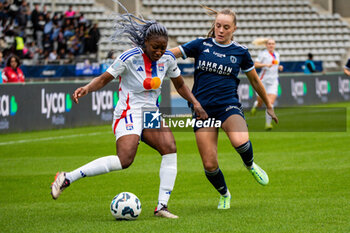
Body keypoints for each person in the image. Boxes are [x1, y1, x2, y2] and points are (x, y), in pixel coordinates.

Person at [50, 6, 207, 219]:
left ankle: (162, 206)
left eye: (163, 47)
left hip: (151, 112)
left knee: (170, 148)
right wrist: (86, 88)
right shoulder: (130, 57)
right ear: (145, 43)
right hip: (129, 111)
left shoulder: (168, 59)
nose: (159, 52)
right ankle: (66, 177)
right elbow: (105, 78)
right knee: (124, 160)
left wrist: (195, 103)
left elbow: (180, 85)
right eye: (155, 47)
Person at [170, 6, 278, 210]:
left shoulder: (241, 52)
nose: (220, 30)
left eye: (226, 27)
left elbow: (255, 81)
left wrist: (269, 106)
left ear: (234, 29)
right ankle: (225, 194)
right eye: (218, 25)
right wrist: (152, 53)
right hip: (202, 110)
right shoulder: (200, 44)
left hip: (228, 106)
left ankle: (250, 164)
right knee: (210, 165)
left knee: (240, 140)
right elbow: (171, 54)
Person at [250, 37, 283, 130]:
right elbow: (255, 65)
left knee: (270, 103)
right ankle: (256, 105)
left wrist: (279, 67)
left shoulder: (277, 54)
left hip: (273, 81)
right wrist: (265, 65)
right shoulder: (263, 54)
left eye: (273, 44)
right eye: (269, 44)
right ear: (266, 45)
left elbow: (275, 65)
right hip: (263, 80)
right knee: (260, 102)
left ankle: (268, 124)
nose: (271, 45)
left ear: (275, 45)